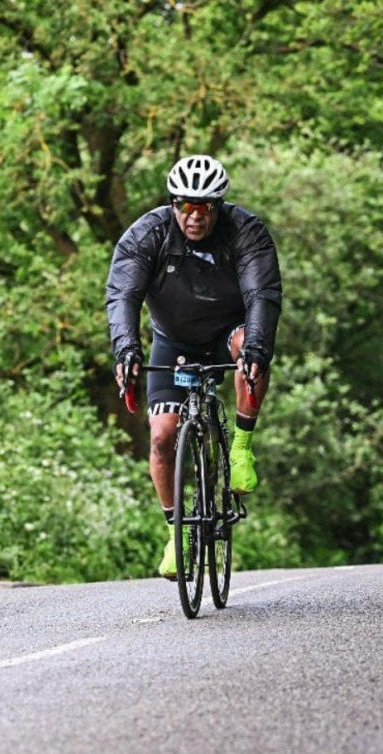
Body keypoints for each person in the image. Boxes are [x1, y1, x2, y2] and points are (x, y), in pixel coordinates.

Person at [106, 155, 283, 579]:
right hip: (174, 341)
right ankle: (175, 531)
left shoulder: (246, 232)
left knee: (248, 349)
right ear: (172, 203)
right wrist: (126, 350)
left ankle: (240, 446)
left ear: (219, 207)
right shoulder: (146, 235)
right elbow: (122, 297)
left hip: (227, 331)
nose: (195, 216)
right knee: (162, 436)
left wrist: (256, 349)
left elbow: (263, 294)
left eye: (205, 207)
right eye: (185, 206)